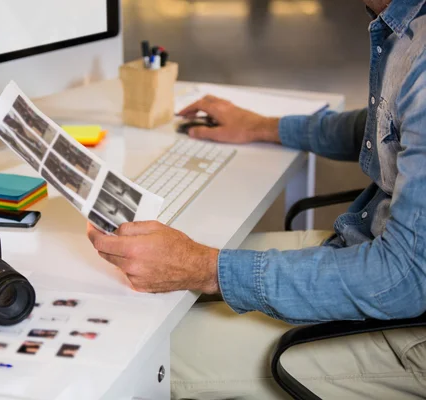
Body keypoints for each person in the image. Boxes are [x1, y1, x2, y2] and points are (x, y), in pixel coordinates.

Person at [87, 0, 426, 398]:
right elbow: (385, 127)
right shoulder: (406, 23)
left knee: (133, 359)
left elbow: (402, 278)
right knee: (148, 299)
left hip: (408, 331)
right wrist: (261, 127)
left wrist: (204, 267)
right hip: (366, 247)